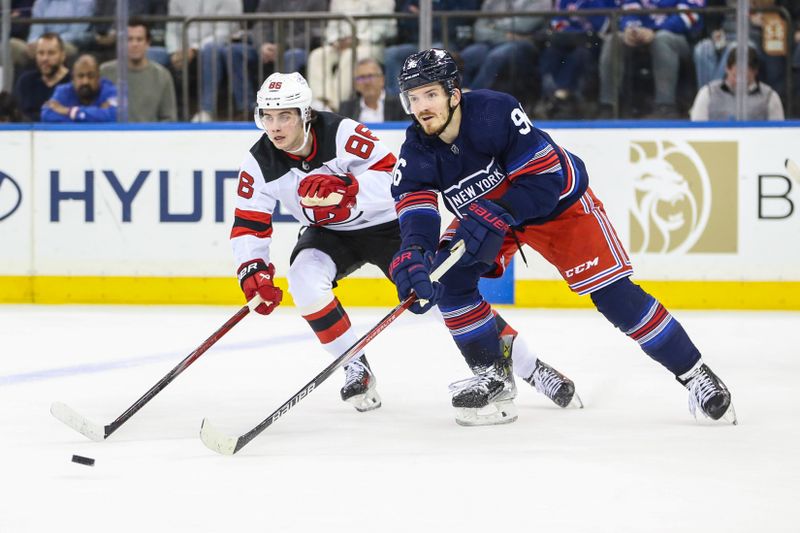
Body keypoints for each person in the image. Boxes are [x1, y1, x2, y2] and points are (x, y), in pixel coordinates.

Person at [390, 48, 736, 426]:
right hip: (491, 215)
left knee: (613, 296)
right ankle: (493, 376)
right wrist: (415, 252)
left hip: (558, 206)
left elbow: (544, 181)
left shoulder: (495, 112)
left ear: (454, 94)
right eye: (414, 97)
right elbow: (416, 208)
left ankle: (695, 373)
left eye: (431, 94)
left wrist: (499, 211)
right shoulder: (417, 149)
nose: (422, 106)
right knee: (449, 279)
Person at [229, 71, 399, 412]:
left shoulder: (342, 133)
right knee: (303, 280)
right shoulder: (259, 161)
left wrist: (348, 190)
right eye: (267, 116)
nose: (275, 127)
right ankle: (354, 365)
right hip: (328, 233)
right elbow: (249, 222)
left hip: (385, 225)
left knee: (440, 293)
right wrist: (252, 270)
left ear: (305, 114)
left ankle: (510, 362)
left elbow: (394, 177)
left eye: (285, 116)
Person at [598, 0, 704, 118]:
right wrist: (630, 29)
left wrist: (654, 30)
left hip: (679, 38)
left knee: (662, 39)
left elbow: (689, 16)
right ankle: (609, 106)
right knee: (614, 39)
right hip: (642, 33)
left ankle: (665, 106)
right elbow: (629, 10)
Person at [305, 0, 397, 111]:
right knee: (317, 55)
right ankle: (321, 101)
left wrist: (356, 39)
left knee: (349, 56)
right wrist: (336, 41)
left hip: (370, 44)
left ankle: (335, 105)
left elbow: (382, 29)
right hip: (341, 44)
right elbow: (332, 27)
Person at [100, 19, 177, 122]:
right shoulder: (105, 72)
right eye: (129, 39)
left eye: (139, 39)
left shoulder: (162, 76)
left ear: (147, 43)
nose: (134, 44)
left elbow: (169, 119)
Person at [690, 45, 784, 120]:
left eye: (745, 78)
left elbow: (778, 134)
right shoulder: (707, 93)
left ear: (755, 72)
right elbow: (697, 130)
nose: (739, 82)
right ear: (727, 69)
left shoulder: (769, 97)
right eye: (735, 76)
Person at [41, 54, 117, 122]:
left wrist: (69, 111)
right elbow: (46, 114)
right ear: (73, 78)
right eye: (80, 76)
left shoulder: (110, 91)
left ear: (98, 78)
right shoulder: (62, 91)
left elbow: (113, 115)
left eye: (91, 76)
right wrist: (95, 115)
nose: (85, 81)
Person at [13, 32, 70, 121]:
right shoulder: (26, 81)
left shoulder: (73, 82)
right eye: (41, 53)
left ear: (63, 55)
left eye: (51, 53)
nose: (45, 58)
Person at [337, 58, 407, 123]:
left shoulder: (400, 104)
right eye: (362, 78)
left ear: (382, 80)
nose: (367, 82)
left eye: (370, 76)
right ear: (356, 84)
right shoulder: (346, 109)